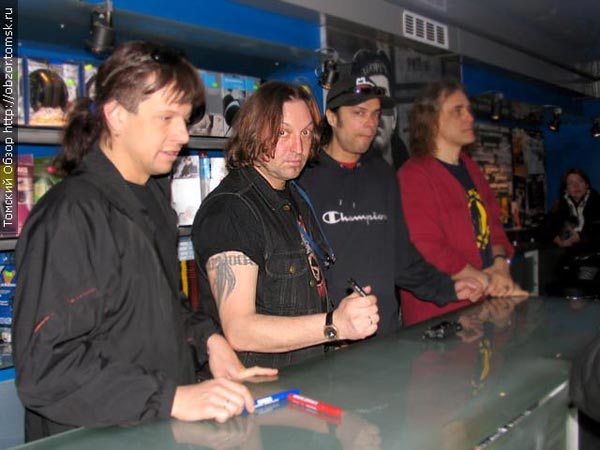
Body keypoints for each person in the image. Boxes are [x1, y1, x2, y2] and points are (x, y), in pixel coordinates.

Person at [12, 41, 276, 442]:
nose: (183, 134)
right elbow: (45, 370)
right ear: (117, 116)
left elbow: (156, 306)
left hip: (152, 429)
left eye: (184, 118)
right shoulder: (70, 216)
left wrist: (209, 340)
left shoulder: (151, 198)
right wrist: (171, 399)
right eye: (166, 118)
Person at [192, 81, 379, 368]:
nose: (298, 147)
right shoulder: (231, 209)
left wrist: (337, 335)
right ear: (254, 130)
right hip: (259, 387)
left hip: (306, 375)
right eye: (283, 132)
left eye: (306, 133)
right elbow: (239, 330)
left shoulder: (293, 194)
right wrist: (334, 325)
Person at [298, 74, 483, 335]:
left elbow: (402, 258)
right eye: (359, 113)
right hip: (330, 336)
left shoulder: (383, 174)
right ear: (332, 117)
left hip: (383, 333)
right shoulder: (304, 178)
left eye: (375, 114)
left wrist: (449, 288)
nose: (371, 123)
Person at [398, 79, 526, 327]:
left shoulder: (471, 169)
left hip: (483, 307)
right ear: (432, 120)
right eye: (458, 110)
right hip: (440, 315)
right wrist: (487, 281)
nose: (469, 117)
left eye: (468, 110)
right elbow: (427, 245)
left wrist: (500, 265)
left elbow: (494, 227)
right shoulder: (413, 175)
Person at [351, 49, 410, 170]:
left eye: (383, 100)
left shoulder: (410, 172)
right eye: (366, 101)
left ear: (394, 117)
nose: (375, 113)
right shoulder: (345, 175)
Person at [542, 168, 600, 249]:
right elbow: (545, 227)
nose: (576, 185)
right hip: (568, 251)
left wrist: (580, 237)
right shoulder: (561, 204)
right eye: (571, 183)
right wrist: (557, 240)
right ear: (566, 190)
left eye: (580, 181)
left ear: (587, 186)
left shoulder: (596, 202)